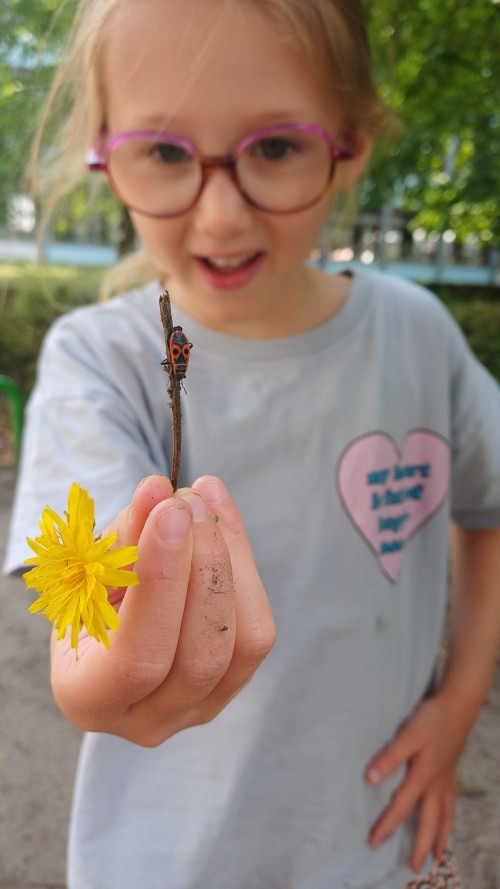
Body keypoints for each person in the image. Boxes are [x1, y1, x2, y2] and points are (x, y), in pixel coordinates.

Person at [4, 0, 500, 886]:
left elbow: (489, 507)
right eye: (164, 152)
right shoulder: (99, 365)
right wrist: (102, 681)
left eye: (273, 147)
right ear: (104, 153)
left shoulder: (420, 339)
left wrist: (459, 704)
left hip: (373, 850)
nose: (223, 217)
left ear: (349, 142)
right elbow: (83, 617)